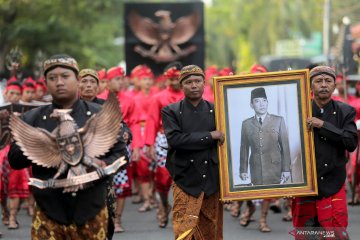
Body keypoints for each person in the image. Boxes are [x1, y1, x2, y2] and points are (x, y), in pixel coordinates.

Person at [8, 54, 128, 239]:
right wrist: (45, 142)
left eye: (65, 76)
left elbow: (122, 155)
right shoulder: (32, 119)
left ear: (77, 80)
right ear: (46, 83)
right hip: (49, 212)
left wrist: (102, 164)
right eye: (52, 78)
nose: (59, 82)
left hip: (92, 210)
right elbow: (14, 161)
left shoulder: (99, 115)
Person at [292, 66, 357, 239]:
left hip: (333, 183)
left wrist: (323, 125)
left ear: (334, 86)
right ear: (310, 86)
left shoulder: (346, 111)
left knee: (336, 234)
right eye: (318, 81)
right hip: (305, 184)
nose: (323, 85)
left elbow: (351, 143)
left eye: (328, 81)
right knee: (306, 234)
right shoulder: (298, 111)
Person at [162, 64, 225, 240]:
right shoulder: (171, 111)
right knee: (183, 230)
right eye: (189, 82)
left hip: (211, 177)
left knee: (210, 230)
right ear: (182, 86)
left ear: (204, 84)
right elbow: (175, 140)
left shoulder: (217, 109)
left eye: (198, 81)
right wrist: (209, 136)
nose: (194, 85)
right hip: (185, 177)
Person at [239, 86, 291, 232]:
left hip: (274, 166)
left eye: (264, 101)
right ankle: (249, 211)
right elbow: (244, 148)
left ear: (267, 103)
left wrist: (286, 169)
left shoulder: (278, 120)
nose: (261, 104)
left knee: (267, 195)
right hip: (255, 166)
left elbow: (285, 146)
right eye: (257, 101)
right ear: (251, 105)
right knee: (252, 193)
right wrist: (243, 169)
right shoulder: (246, 123)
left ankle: (262, 220)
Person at [144, 61, 184, 228]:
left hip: (186, 140)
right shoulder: (158, 98)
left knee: (184, 177)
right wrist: (149, 144)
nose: (174, 82)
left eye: (177, 79)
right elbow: (151, 121)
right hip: (163, 140)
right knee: (162, 177)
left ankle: (182, 211)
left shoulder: (190, 96)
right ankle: (163, 204)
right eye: (171, 79)